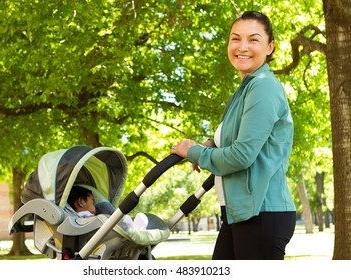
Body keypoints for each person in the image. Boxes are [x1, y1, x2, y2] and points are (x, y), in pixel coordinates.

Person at [170, 11, 296, 260]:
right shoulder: (244, 90)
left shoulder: (263, 87)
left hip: (262, 213)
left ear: (270, 47)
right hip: (241, 213)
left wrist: (194, 151)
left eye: (254, 39)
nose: (242, 47)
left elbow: (242, 155)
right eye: (235, 39)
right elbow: (233, 139)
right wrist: (210, 144)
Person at [68, 185, 148, 230]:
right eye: (92, 202)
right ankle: (135, 229)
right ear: (81, 202)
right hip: (114, 232)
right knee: (129, 218)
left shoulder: (73, 220)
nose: (95, 206)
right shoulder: (86, 218)